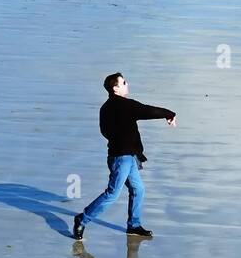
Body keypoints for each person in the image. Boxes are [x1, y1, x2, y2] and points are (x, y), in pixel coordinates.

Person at [73, 73, 175, 240]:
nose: (127, 84)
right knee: (112, 193)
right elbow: (148, 111)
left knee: (138, 189)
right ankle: (82, 219)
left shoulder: (105, 108)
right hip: (121, 158)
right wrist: (169, 113)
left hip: (125, 156)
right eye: (124, 82)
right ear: (115, 88)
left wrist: (121, 138)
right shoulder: (126, 105)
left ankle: (133, 226)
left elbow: (104, 131)